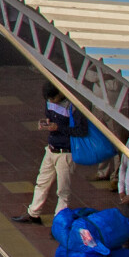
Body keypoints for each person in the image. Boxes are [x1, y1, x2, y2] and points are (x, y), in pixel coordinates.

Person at [16, 84, 76, 224]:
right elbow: (49, 115)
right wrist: (48, 123)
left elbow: (80, 131)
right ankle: (33, 213)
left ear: (60, 94)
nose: (51, 102)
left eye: (53, 99)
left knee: (63, 190)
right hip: (51, 148)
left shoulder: (72, 106)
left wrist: (59, 127)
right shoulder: (49, 102)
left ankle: (59, 222)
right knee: (41, 182)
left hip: (65, 153)